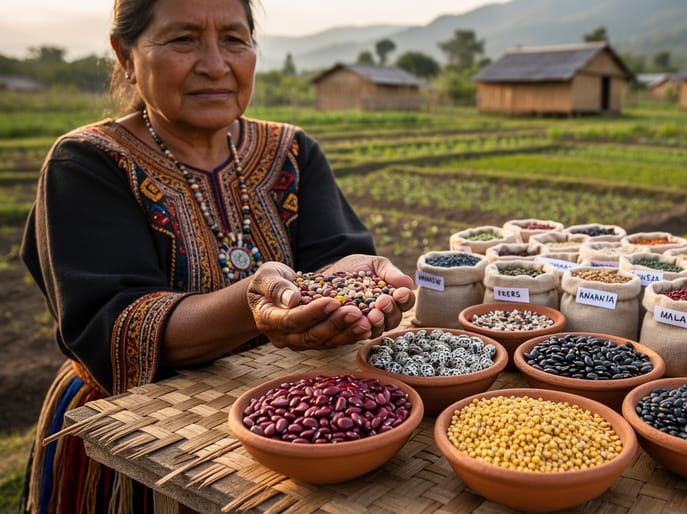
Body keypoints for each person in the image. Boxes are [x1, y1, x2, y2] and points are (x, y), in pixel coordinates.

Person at [18, 0, 415, 512]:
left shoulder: (293, 152)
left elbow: (339, 261)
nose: (215, 64)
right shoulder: (89, 162)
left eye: (233, 39)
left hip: (282, 413)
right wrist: (250, 302)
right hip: (137, 433)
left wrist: (354, 292)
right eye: (184, 39)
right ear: (125, 53)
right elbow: (113, 323)